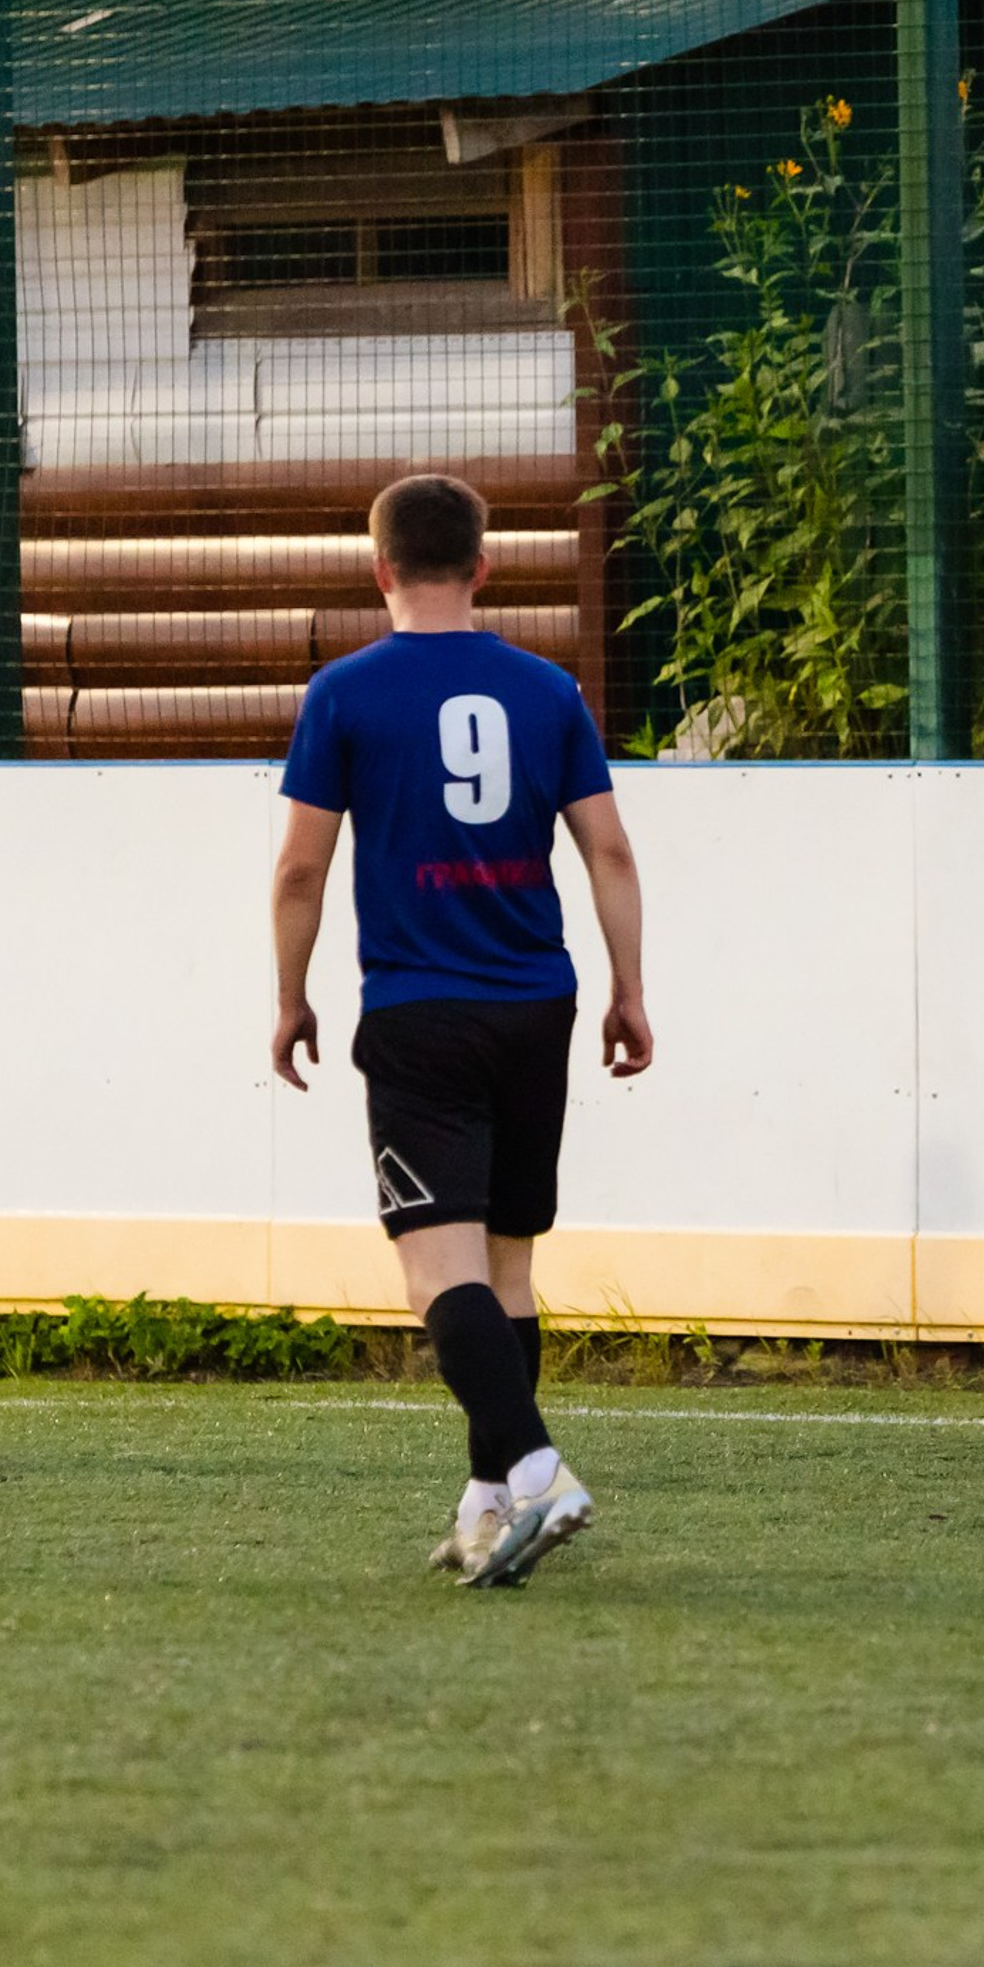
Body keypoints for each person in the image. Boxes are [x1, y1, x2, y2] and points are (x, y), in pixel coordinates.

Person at [271, 472, 650, 1587]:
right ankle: (489, 1503)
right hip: (537, 1000)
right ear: (483, 566)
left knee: (435, 1274)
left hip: (419, 1009)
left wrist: (289, 994)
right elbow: (610, 852)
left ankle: (535, 1470)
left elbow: (302, 865)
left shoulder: (343, 693)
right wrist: (630, 988)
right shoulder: (547, 691)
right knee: (508, 1267)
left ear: (378, 566)